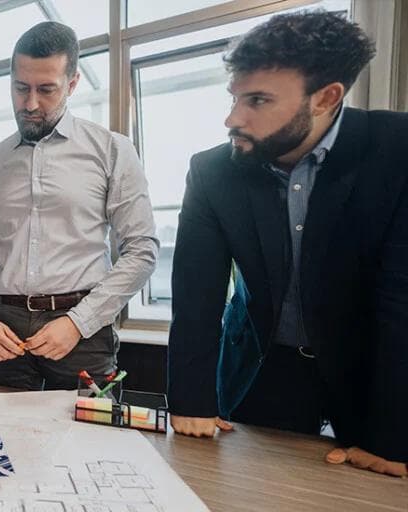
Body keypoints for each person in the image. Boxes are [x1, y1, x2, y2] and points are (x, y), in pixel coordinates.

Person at [167, 11, 407, 477]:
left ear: (326, 98)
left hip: (371, 371)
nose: (232, 118)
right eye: (235, 97)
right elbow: (196, 295)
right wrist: (191, 401)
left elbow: (401, 299)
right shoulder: (212, 171)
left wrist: (396, 436)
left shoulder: (396, 149)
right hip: (262, 366)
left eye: (258, 100)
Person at [0, 21, 158, 391]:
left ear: (72, 84)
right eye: (20, 88)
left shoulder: (112, 151)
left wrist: (78, 322)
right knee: (6, 428)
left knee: (88, 430)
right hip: (3, 329)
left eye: (46, 89)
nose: (30, 104)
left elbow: (141, 250)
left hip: (82, 330)